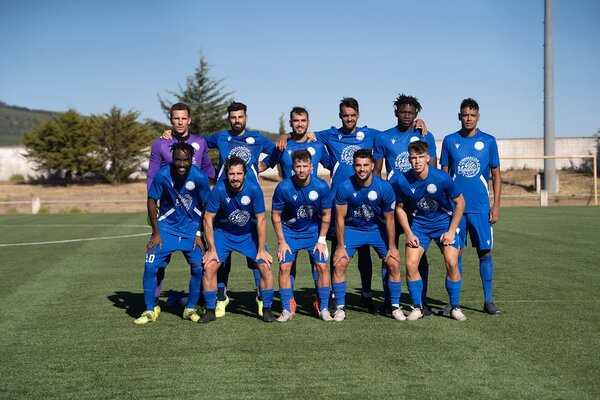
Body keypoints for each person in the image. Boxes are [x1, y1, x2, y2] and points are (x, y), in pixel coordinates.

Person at [260, 107, 331, 315]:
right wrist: (241, 171)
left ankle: (321, 301)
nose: (300, 124)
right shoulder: (283, 145)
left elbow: (334, 165)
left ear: (308, 122)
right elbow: (264, 165)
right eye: (296, 121)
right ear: (291, 123)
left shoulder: (317, 144)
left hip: (313, 217)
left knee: (317, 263)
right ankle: (288, 301)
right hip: (289, 215)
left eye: (303, 120)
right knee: (288, 264)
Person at [147, 102, 216, 309]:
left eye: (183, 118)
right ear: (171, 120)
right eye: (176, 118)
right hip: (168, 214)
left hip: (195, 215)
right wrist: (152, 203)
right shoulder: (161, 144)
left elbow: (209, 170)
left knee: (200, 259)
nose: (180, 122)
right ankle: (154, 302)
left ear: (189, 120)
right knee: (158, 258)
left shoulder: (200, 142)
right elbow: (152, 175)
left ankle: (201, 299)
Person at [373, 94, 437, 315]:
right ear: (396, 113)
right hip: (391, 203)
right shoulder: (383, 137)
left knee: (419, 252)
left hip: (417, 205)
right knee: (389, 252)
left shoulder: (425, 135)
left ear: (416, 114)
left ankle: (422, 301)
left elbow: (433, 171)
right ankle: (389, 302)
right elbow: (376, 172)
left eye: (411, 112)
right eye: (403, 112)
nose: (406, 116)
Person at [134, 142, 210, 324]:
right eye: (178, 160)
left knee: (199, 267)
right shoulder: (163, 174)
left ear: (191, 159)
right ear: (172, 159)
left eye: (185, 160)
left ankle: (190, 308)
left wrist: (199, 233)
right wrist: (156, 233)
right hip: (166, 229)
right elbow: (151, 200)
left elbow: (207, 206)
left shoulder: (200, 177)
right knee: (150, 266)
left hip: (191, 229)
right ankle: (150, 310)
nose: (181, 164)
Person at [440, 98, 502, 316]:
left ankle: (488, 301)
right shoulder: (450, 141)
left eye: (472, 115)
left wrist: (496, 205)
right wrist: (444, 206)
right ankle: (453, 302)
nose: (469, 119)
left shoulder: (489, 141)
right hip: (456, 210)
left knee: (485, 252)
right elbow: (444, 176)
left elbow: (496, 175)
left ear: (478, 117)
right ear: (459, 116)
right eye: (465, 115)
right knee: (454, 255)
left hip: (481, 208)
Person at [392, 141, 466, 321]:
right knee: (411, 264)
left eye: (420, 157)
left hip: (444, 225)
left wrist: (451, 231)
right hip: (420, 227)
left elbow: (460, 203)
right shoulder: (402, 181)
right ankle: (417, 307)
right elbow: (399, 209)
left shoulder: (442, 178)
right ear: (409, 159)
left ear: (427, 158)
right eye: (413, 158)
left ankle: (455, 307)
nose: (417, 161)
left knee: (451, 262)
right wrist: (409, 233)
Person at [199, 156, 275, 323]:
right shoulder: (219, 189)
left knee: (265, 267)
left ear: (245, 174)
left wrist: (261, 250)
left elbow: (261, 220)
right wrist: (211, 249)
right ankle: (210, 310)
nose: (235, 178)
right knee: (209, 267)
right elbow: (208, 219)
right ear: (226, 174)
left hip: (248, 234)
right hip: (224, 234)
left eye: (239, 173)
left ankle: (267, 308)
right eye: (231, 174)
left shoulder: (254, 189)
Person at [331, 149, 403, 322]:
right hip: (353, 229)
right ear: (353, 166)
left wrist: (392, 247)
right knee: (339, 262)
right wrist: (340, 247)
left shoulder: (384, 187)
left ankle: (394, 306)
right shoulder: (344, 187)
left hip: (377, 229)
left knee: (393, 262)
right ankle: (340, 307)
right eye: (358, 165)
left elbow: (390, 219)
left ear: (372, 166)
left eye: (365, 165)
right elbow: (339, 218)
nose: (362, 169)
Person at [271, 149, 333, 322]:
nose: (302, 170)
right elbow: (275, 215)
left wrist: (322, 240)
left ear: (311, 167)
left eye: (305, 166)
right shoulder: (283, 187)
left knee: (321, 266)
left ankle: (323, 307)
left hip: (314, 232)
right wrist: (281, 241)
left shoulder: (321, 186)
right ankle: (286, 308)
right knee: (284, 267)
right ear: (293, 167)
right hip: (290, 233)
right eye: (298, 166)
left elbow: (327, 214)